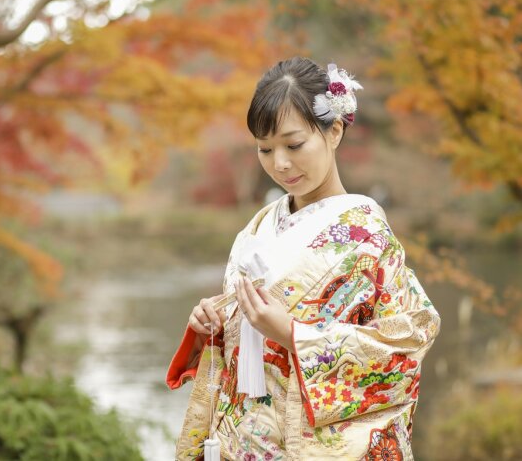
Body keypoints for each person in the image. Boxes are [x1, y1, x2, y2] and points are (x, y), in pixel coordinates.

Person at [166, 57, 441, 460]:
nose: (280, 163)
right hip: (240, 441)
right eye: (265, 148)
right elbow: (245, 334)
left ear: (334, 131)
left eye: (294, 145)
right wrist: (217, 322)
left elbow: (409, 342)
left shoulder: (367, 235)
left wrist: (294, 335)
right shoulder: (258, 228)